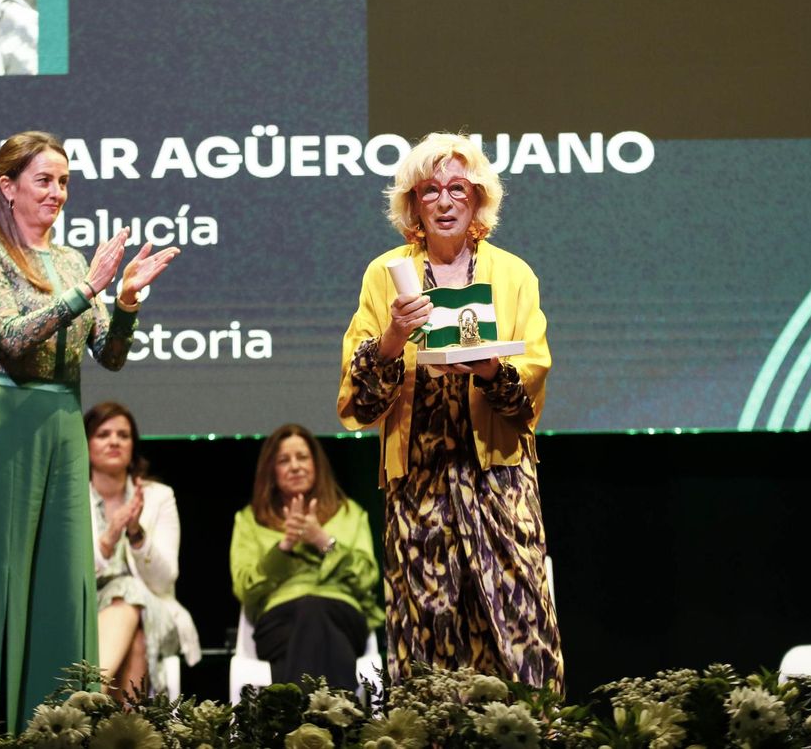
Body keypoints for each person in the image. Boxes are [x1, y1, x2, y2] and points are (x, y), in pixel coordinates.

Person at [0, 130, 178, 731]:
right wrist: (88, 289)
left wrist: (126, 302)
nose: (57, 192)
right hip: (7, 421)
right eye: (44, 180)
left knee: (61, 581)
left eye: (64, 181)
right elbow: (12, 337)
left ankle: (56, 723)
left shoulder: (72, 260)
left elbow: (109, 356)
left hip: (64, 424)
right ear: (8, 187)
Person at [338, 132, 562, 691]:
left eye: (457, 189)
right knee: (428, 638)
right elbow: (358, 401)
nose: (444, 201)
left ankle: (530, 729)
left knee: (520, 629)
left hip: (500, 481)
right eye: (430, 190)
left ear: (478, 198)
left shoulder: (513, 274)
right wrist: (394, 337)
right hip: (419, 482)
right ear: (412, 203)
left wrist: (488, 369)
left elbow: (528, 391)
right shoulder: (385, 273)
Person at [230, 424, 383, 690]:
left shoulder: (349, 512)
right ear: (271, 470)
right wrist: (284, 546)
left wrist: (322, 540)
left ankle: (295, 714)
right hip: (279, 621)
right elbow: (244, 587)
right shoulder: (249, 519)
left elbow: (367, 577)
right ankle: (338, 713)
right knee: (312, 616)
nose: (295, 466)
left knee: (314, 612)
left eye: (302, 457)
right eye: (284, 460)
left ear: (316, 464)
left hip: (342, 614)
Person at [85, 401, 199, 699]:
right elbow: (66, 578)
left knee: (129, 589)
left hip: (154, 609)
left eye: (123, 435)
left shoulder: (158, 497)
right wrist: (109, 538)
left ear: (133, 446)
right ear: (85, 444)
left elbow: (164, 581)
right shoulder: (70, 498)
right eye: (103, 434)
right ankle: (124, 724)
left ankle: (87, 696)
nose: (114, 441)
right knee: (136, 641)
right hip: (87, 614)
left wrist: (136, 535)